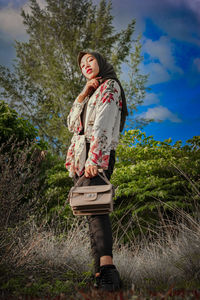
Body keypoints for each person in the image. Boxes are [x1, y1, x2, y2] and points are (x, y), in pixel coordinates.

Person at [65, 51, 128, 292]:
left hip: (95, 153)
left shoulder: (110, 86)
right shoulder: (90, 92)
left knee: (98, 210)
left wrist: (95, 159)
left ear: (100, 62)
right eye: (81, 64)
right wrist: (83, 94)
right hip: (81, 156)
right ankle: (99, 273)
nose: (85, 65)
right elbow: (72, 124)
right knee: (91, 212)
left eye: (90, 60)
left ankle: (109, 273)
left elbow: (103, 123)